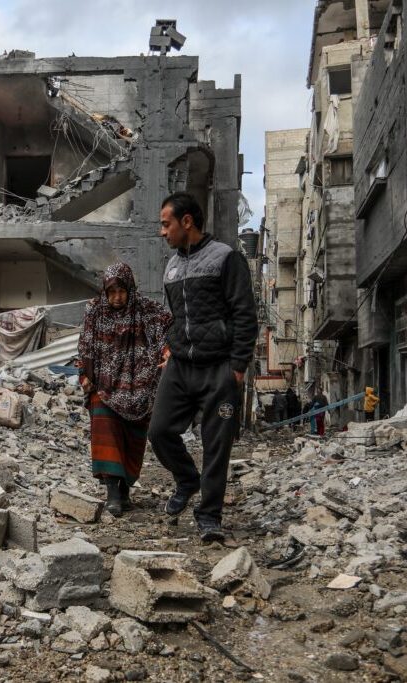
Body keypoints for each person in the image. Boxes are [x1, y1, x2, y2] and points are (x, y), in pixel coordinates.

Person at [148, 192, 258, 543]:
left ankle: (209, 516)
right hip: (180, 366)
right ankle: (186, 480)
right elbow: (175, 316)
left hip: (219, 368)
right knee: (159, 430)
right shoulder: (171, 266)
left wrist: (237, 366)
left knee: (216, 446)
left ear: (187, 222)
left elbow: (245, 314)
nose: (162, 232)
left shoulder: (226, 258)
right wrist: (170, 347)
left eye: (166, 224)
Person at [78, 263, 172, 517]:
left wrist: (167, 352)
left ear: (130, 289)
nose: (116, 297)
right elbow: (85, 344)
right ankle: (112, 494)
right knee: (106, 435)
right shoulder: (95, 311)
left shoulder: (146, 310)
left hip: (138, 388)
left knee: (131, 439)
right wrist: (85, 374)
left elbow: (167, 329)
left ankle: (124, 491)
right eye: (112, 292)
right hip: (104, 386)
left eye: (121, 291)